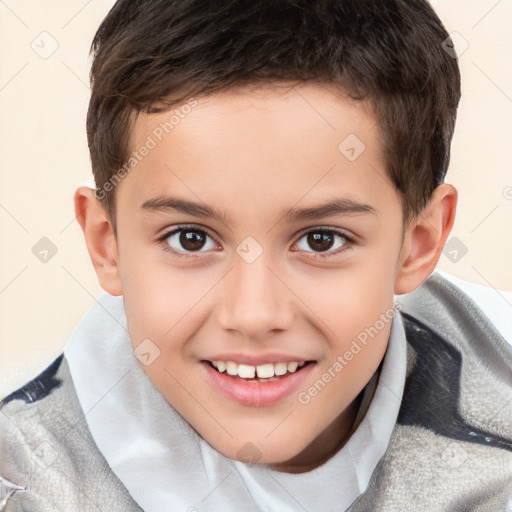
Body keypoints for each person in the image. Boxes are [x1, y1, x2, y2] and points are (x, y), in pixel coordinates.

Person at [1, 0, 511, 510]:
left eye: (321, 240)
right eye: (190, 239)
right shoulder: (28, 483)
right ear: (105, 242)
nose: (253, 315)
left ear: (418, 243)